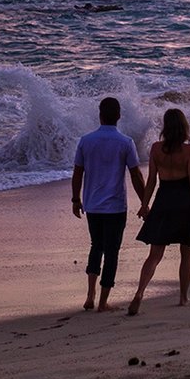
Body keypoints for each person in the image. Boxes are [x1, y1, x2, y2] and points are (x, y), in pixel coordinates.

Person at [127, 107, 190, 316]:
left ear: (165, 126)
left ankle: (139, 293)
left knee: (155, 254)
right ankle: (183, 298)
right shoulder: (189, 151)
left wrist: (145, 205)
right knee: (186, 252)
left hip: (163, 200)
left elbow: (152, 181)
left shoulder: (156, 149)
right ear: (183, 127)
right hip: (185, 201)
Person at [72, 96, 143, 313]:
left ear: (100, 115)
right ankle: (103, 302)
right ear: (119, 116)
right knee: (112, 252)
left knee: (96, 246)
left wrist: (76, 199)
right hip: (115, 206)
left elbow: (77, 173)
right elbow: (136, 175)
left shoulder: (86, 140)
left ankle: (90, 294)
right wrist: (145, 202)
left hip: (92, 205)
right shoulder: (125, 142)